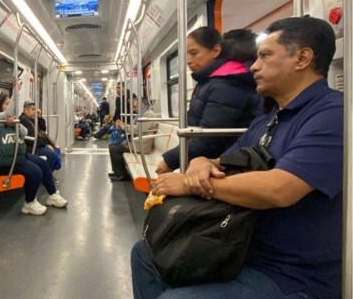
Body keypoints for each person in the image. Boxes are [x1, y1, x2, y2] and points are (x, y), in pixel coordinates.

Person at [131, 17, 342, 299]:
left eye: (265, 56)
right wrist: (200, 163)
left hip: (292, 272)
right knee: (145, 253)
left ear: (302, 58)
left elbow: (280, 189)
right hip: (239, 245)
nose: (254, 66)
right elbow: (225, 160)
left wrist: (190, 184)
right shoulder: (268, 119)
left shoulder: (332, 114)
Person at [156, 27, 260, 174]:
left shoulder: (227, 84)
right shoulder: (210, 82)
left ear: (216, 51)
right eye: (187, 54)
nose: (188, 60)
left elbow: (211, 137)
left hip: (224, 165)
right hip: (207, 158)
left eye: (194, 53)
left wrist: (170, 160)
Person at [0, 92, 68, 215]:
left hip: (11, 155)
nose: (8, 106)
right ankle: (29, 203)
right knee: (35, 172)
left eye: (9, 103)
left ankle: (52, 195)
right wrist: (16, 91)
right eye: (6, 104)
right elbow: (8, 113)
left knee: (42, 163)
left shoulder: (6, 120)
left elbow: (24, 133)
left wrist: (15, 125)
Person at [108, 98, 157, 182]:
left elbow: (138, 129)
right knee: (114, 145)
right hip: (138, 141)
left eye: (135, 107)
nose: (134, 109)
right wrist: (124, 125)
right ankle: (118, 172)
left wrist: (124, 126)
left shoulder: (149, 115)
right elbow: (137, 128)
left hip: (141, 145)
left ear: (142, 105)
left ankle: (121, 175)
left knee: (114, 148)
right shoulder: (143, 114)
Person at [19, 100, 60, 172]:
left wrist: (40, 117)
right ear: (25, 110)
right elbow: (30, 139)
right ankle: (47, 176)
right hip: (31, 147)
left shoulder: (32, 119)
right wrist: (45, 145)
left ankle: (50, 173)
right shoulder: (23, 120)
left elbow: (43, 128)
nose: (35, 111)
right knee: (52, 156)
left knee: (57, 150)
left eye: (35, 109)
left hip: (37, 144)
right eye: (33, 109)